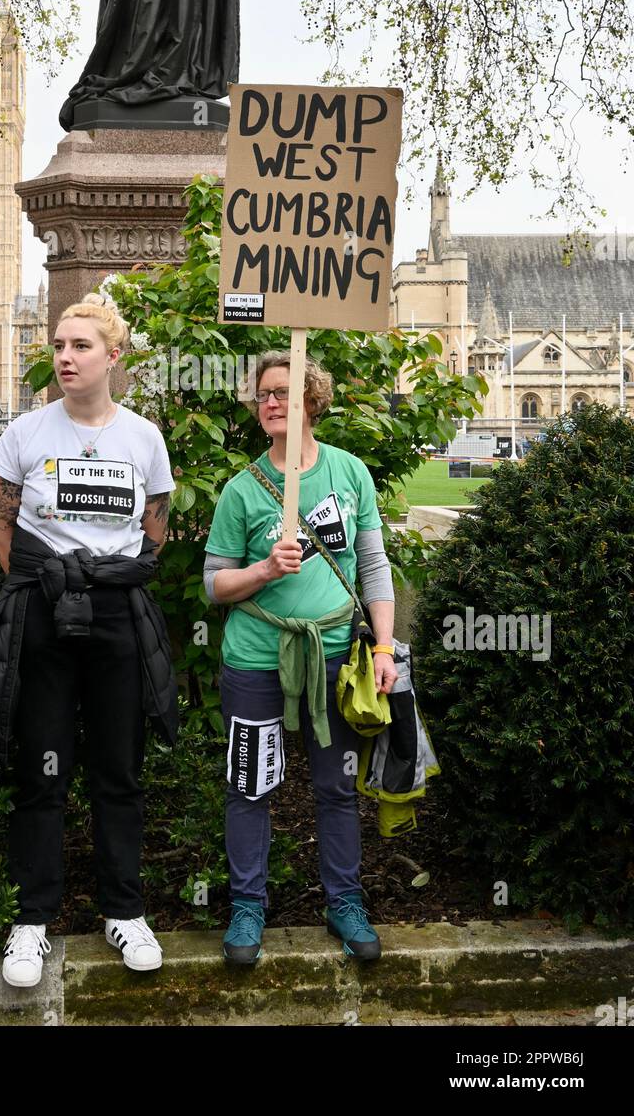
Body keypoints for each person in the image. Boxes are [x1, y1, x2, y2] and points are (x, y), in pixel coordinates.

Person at [0, 293, 176, 987]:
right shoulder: (26, 434)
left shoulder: (143, 439)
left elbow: (154, 528)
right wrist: (45, 589)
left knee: (119, 770)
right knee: (42, 771)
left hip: (119, 618)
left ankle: (124, 912)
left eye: (80, 346)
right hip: (43, 618)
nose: (65, 357)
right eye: (59, 345)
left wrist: (103, 581)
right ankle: (32, 921)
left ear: (113, 357)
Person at [203, 351, 398, 966]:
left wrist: (385, 647)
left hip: (336, 660)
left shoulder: (350, 475)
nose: (272, 402)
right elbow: (214, 585)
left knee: (338, 786)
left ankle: (343, 900)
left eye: (284, 391)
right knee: (249, 785)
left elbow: (372, 566)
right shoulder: (242, 490)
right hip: (257, 660)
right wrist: (263, 569)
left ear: (312, 400)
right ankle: (247, 907)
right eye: (264, 394)